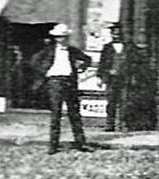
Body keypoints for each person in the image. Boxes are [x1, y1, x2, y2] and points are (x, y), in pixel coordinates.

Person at [32, 22, 92, 154]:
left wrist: (81, 67)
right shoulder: (48, 50)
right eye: (59, 37)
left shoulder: (72, 50)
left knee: (74, 114)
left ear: (67, 37)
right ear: (55, 38)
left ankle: (80, 143)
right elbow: (34, 62)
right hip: (55, 82)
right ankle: (53, 145)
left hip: (70, 81)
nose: (61, 39)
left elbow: (88, 59)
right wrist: (45, 72)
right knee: (56, 114)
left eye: (64, 37)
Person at [97, 24, 129, 132]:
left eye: (118, 33)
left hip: (124, 78)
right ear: (111, 34)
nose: (116, 35)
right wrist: (100, 77)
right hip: (111, 79)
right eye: (114, 33)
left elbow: (134, 63)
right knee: (111, 102)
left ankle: (123, 124)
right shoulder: (107, 48)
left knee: (124, 102)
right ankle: (110, 124)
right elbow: (102, 63)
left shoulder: (128, 47)